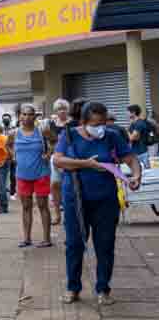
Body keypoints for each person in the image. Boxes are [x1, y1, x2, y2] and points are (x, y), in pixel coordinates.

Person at [53, 101, 142, 306]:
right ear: (83, 122)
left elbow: (130, 158)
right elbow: (58, 160)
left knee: (105, 244)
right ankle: (72, 287)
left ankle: (103, 288)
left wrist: (136, 176)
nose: (100, 127)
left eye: (103, 122)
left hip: (105, 199)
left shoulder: (111, 136)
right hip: (76, 199)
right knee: (74, 244)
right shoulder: (68, 135)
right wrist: (86, 164)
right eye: (95, 123)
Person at [8, 103, 52, 248]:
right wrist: (12, 155)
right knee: (26, 206)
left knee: (42, 206)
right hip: (22, 175)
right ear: (20, 116)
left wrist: (48, 154)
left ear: (35, 116)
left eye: (30, 114)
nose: (27, 117)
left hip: (41, 174)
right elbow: (8, 145)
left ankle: (47, 239)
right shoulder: (14, 133)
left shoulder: (42, 130)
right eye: (24, 114)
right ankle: (27, 238)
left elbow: (55, 141)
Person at [45, 98, 69, 225]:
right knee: (54, 185)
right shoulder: (52, 123)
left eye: (64, 109)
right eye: (59, 109)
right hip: (55, 156)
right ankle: (57, 214)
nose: (62, 111)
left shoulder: (71, 123)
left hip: (69, 157)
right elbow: (49, 140)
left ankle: (68, 214)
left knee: (67, 185)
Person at [2, 113, 17, 197]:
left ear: (10, 120)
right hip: (3, 155)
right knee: (3, 175)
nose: (6, 120)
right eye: (4, 119)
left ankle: (12, 192)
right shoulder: (0, 129)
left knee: (13, 175)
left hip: (12, 154)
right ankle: (3, 192)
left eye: (7, 119)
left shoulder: (14, 129)